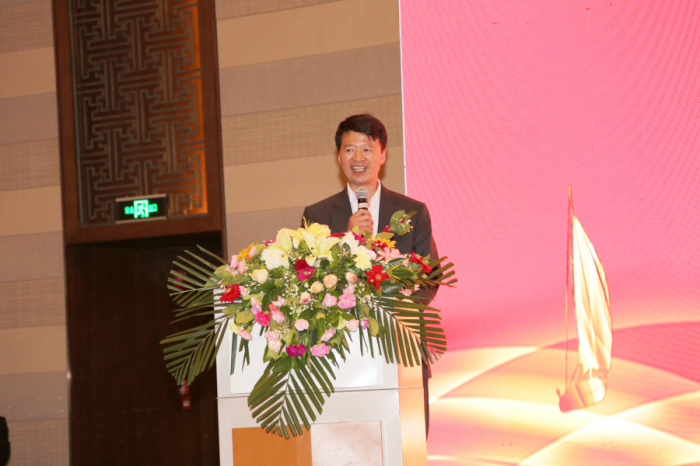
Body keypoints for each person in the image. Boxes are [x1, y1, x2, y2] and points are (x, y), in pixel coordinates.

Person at [302, 113, 438, 436]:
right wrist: (346, 241)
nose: (358, 158)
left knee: (406, 446)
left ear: (383, 155)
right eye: (349, 150)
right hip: (341, 357)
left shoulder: (413, 211)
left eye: (367, 149)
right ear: (339, 157)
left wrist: (385, 308)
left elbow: (429, 280)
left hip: (401, 353)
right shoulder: (317, 215)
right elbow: (309, 283)